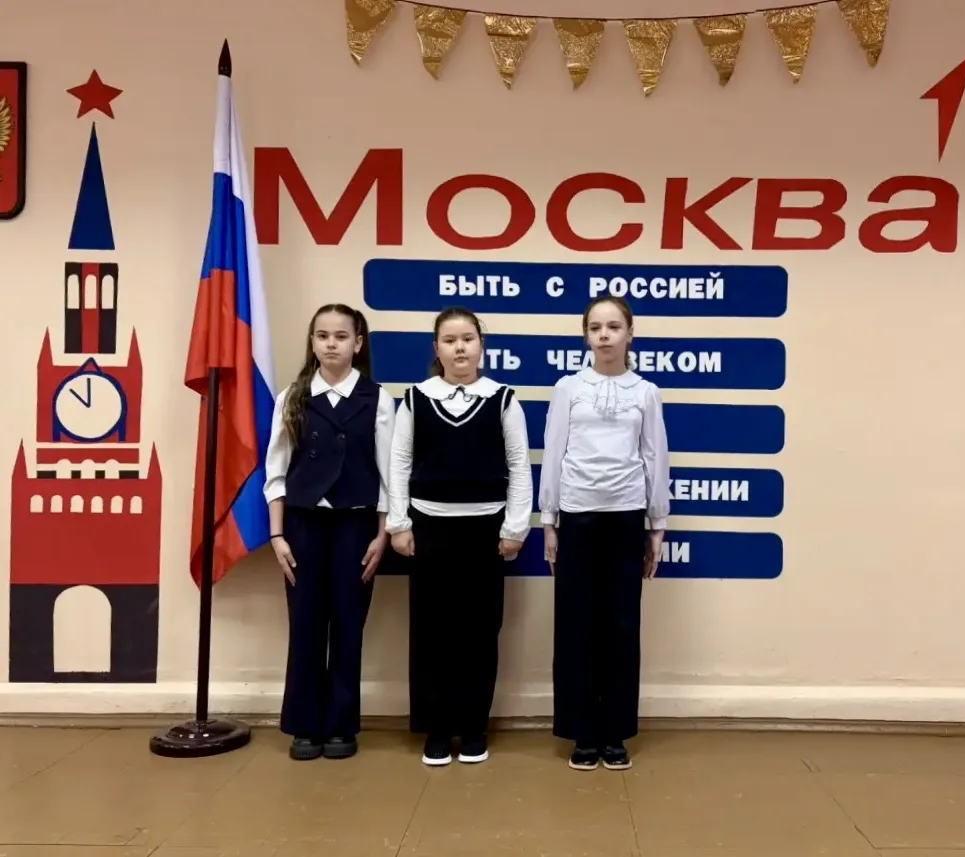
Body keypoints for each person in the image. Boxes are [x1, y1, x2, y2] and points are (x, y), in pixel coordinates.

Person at [387, 306, 532, 766]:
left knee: (479, 631)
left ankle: (473, 727)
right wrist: (399, 523)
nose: (460, 348)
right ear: (437, 349)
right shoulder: (416, 399)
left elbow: (519, 466)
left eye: (468, 339)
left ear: (481, 346)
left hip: (485, 532)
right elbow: (399, 463)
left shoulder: (503, 399)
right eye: (450, 341)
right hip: (430, 529)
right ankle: (436, 728)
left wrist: (515, 526)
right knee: (433, 631)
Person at [539, 296, 671, 772]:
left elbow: (655, 455)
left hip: (625, 514)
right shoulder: (569, 388)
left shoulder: (645, 392)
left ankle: (614, 733)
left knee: (621, 625)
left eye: (614, 326)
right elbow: (554, 451)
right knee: (576, 625)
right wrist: (549, 521)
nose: (604, 335)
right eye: (595, 327)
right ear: (586, 335)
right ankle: (582, 732)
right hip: (577, 514)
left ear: (629, 335)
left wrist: (656, 525)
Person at [263, 303, 394, 761]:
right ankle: (304, 724)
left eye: (341, 336)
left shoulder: (378, 399)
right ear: (313, 342)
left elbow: (389, 476)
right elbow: (276, 472)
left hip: (356, 525)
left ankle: (340, 724)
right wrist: (277, 536)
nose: (331, 344)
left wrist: (382, 534)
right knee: (305, 624)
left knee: (348, 624)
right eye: (323, 336)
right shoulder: (293, 397)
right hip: (303, 525)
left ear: (358, 343)